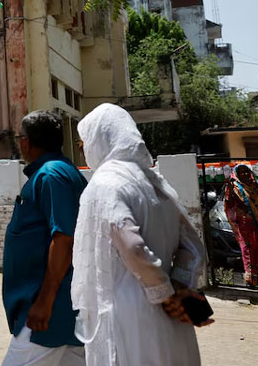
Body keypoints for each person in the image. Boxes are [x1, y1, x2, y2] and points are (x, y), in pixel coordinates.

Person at [72, 103, 211, 366]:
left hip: (130, 315)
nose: (84, 151)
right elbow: (193, 246)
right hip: (173, 314)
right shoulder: (156, 183)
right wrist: (178, 290)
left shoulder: (104, 184)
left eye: (84, 143)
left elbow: (132, 246)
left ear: (100, 139)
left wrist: (165, 294)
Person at [1, 111, 87, 366]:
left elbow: (64, 239)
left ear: (26, 141)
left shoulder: (51, 176)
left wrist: (45, 301)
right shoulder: (60, 171)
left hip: (47, 308)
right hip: (58, 305)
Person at [223, 163, 258, 286]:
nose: (245, 174)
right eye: (241, 172)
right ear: (236, 174)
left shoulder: (256, 187)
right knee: (249, 250)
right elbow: (229, 205)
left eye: (246, 171)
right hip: (246, 226)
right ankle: (252, 280)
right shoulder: (235, 188)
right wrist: (229, 189)